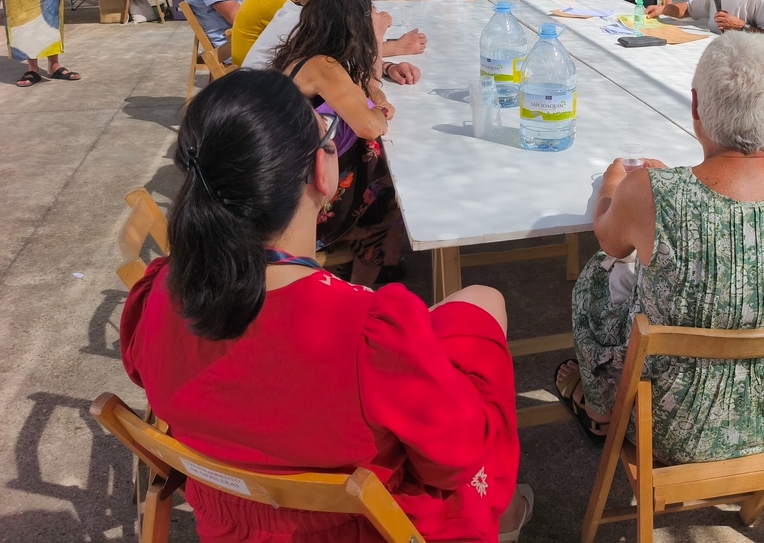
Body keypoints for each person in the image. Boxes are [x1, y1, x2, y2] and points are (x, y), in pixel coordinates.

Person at [119, 69, 532, 542]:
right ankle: (506, 513)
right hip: (359, 527)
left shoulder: (161, 291)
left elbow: (154, 367)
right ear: (323, 172)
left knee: (475, 306)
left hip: (229, 518)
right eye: (329, 137)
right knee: (480, 312)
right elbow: (453, 458)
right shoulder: (365, 328)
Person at [560, 32, 764, 462]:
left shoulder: (647, 191)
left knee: (601, 271)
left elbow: (609, 238)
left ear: (696, 105)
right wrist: (665, 185)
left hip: (667, 428)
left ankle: (599, 405)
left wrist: (616, 184)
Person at [272, 0, 417, 285]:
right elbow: (370, 126)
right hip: (302, 203)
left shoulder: (311, 57)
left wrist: (377, 100)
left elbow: (366, 86)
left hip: (291, 182)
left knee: (379, 164)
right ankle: (364, 283)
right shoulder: (324, 66)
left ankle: (364, 266)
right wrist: (377, 38)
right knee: (392, 188)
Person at [241, 0, 427, 71]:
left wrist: (387, 67)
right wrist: (381, 38)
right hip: (260, 120)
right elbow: (368, 89)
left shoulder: (302, 11)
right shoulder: (305, 23)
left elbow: (345, 58)